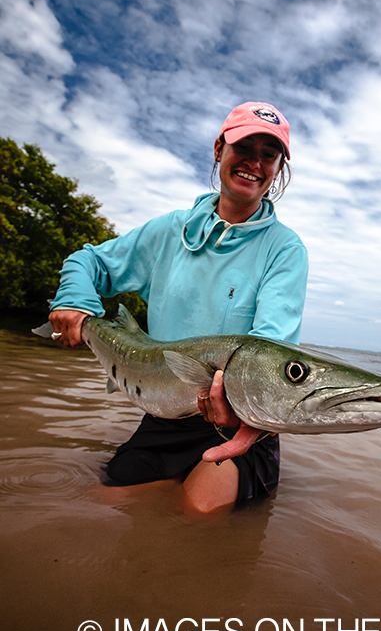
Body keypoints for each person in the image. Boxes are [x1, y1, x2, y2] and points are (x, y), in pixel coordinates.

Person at [48, 102, 308, 513]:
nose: (254, 163)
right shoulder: (170, 230)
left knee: (197, 514)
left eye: (269, 155)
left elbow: (265, 353)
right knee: (101, 506)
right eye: (244, 147)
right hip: (166, 417)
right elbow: (88, 262)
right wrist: (75, 302)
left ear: (278, 168)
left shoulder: (286, 249)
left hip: (241, 424)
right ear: (219, 149)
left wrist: (240, 417)